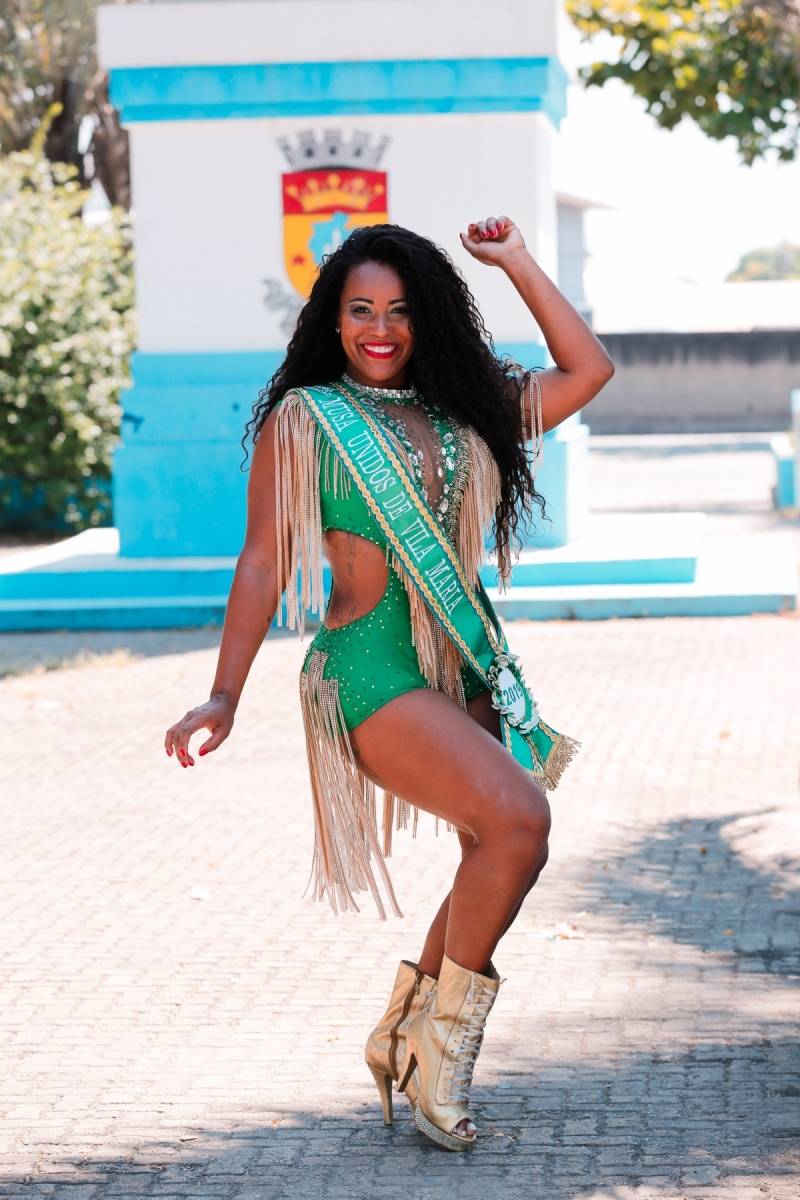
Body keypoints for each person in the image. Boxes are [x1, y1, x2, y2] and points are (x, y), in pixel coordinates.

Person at [164, 215, 614, 1152]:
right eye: (361, 309)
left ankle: (404, 1027)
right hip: (369, 667)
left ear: (429, 320)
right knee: (522, 819)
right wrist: (224, 692)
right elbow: (260, 560)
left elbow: (588, 373)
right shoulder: (306, 419)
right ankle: (441, 1056)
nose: (380, 328)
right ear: (332, 319)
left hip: (461, 663)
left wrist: (517, 261)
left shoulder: (466, 405)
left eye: (401, 311)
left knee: (497, 838)